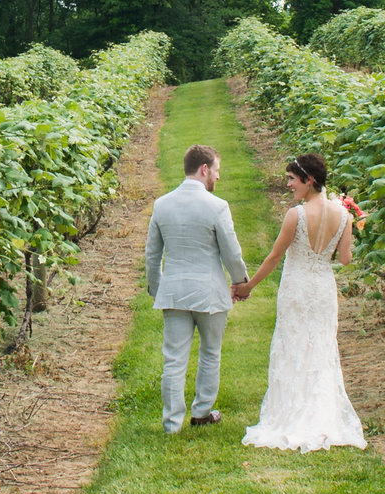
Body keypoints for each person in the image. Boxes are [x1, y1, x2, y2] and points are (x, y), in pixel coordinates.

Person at [238, 151, 367, 452]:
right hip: (322, 289)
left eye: (292, 180)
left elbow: (274, 257)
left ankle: (290, 415)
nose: (289, 185)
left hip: (296, 288)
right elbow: (346, 260)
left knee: (293, 345)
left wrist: (248, 287)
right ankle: (323, 417)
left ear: (309, 181)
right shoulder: (345, 215)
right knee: (321, 347)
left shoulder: (295, 215)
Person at [144, 143, 250, 434]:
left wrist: (156, 287)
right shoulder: (217, 206)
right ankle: (202, 411)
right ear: (204, 169)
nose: (218, 177)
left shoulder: (162, 204)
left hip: (174, 291)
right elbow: (231, 252)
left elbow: (152, 254)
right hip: (209, 291)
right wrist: (241, 282)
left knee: (174, 358)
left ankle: (171, 423)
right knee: (210, 352)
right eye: (216, 171)